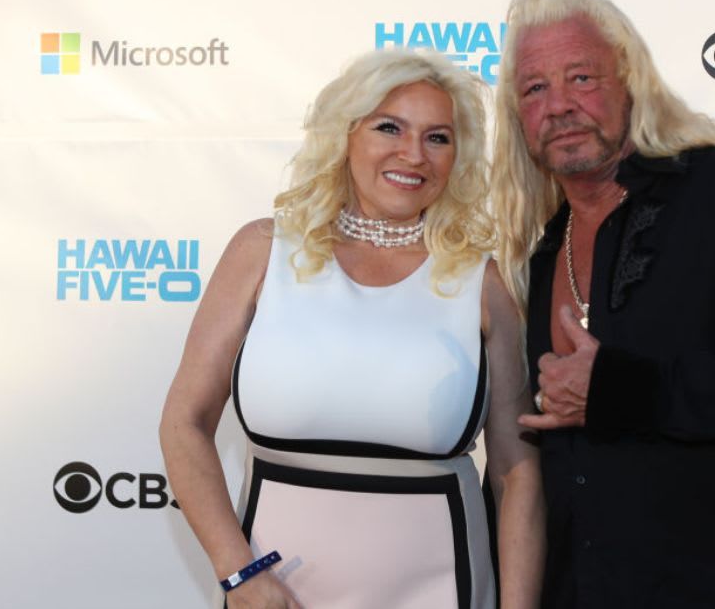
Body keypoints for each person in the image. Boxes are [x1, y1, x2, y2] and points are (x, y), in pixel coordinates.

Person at [490, 0, 715, 608]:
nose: (558, 105)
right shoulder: (544, 246)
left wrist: (619, 390)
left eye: (581, 77)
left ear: (632, 81)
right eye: (534, 88)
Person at [160, 50, 544, 609]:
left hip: (443, 589)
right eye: (390, 127)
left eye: (438, 137)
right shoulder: (262, 251)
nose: (413, 154)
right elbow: (183, 424)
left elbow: (517, 474)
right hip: (273, 594)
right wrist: (238, 573)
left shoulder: (482, 283)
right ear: (345, 134)